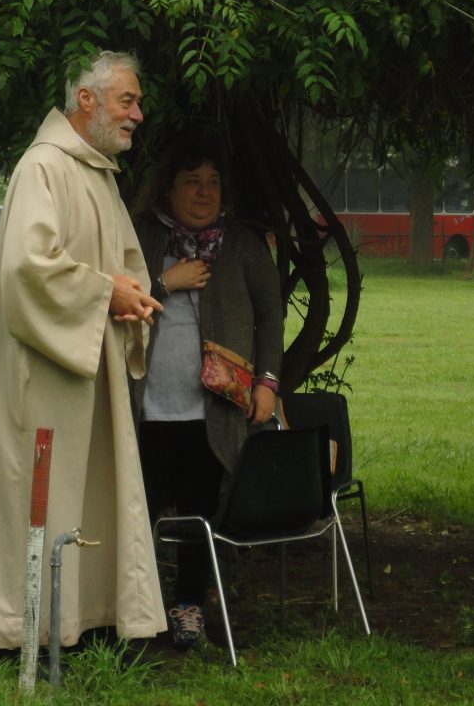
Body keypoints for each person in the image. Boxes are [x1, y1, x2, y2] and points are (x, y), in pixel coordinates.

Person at [0, 50, 168, 649]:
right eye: (128, 100)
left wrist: (132, 295)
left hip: (86, 375)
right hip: (38, 381)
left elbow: (123, 265)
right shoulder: (42, 168)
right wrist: (107, 294)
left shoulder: (95, 173)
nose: (138, 114)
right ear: (86, 100)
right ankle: (19, 637)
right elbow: (26, 271)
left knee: (87, 499)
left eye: (138, 101)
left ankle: (82, 622)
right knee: (36, 502)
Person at [131, 142, 284, 648]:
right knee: (137, 512)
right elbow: (113, 303)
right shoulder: (142, 235)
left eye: (212, 181)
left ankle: (188, 606)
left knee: (198, 513)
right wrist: (164, 282)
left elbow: (270, 316)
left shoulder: (240, 245)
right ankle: (134, 611)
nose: (203, 191)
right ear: (169, 189)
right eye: (191, 180)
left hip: (211, 412)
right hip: (145, 412)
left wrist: (267, 382)